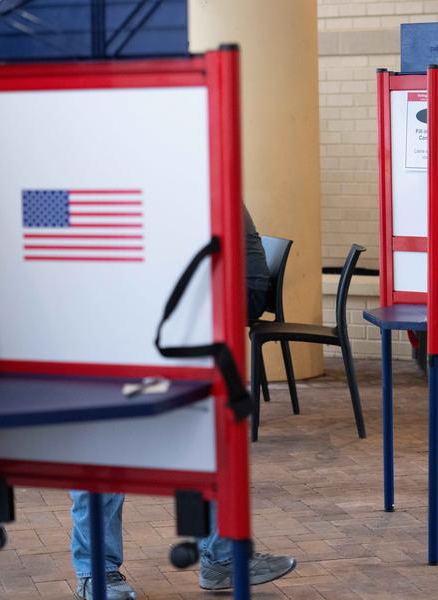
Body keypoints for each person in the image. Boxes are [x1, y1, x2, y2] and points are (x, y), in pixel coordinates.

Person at [71, 207, 296, 600]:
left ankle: (219, 558)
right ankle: (98, 571)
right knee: (104, 439)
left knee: (199, 433)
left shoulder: (182, 183)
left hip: (183, 314)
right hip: (138, 315)